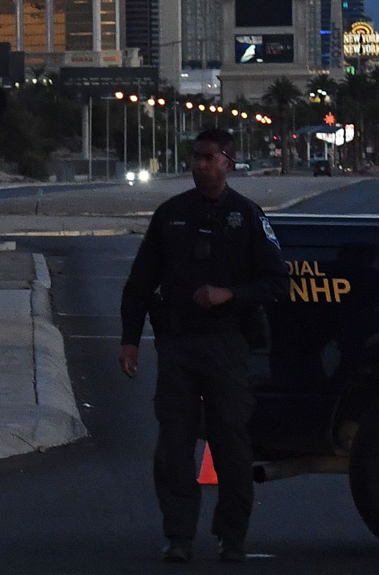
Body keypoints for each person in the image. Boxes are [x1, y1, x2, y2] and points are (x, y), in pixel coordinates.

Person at [119, 127, 285, 563]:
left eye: (210, 158)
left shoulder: (247, 216)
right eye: (196, 157)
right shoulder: (170, 214)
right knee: (174, 447)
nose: (201, 165)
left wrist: (230, 294)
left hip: (227, 345)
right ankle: (179, 536)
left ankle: (232, 537)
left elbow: (276, 282)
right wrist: (130, 340)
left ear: (229, 162)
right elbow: (140, 283)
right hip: (177, 346)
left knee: (230, 445)